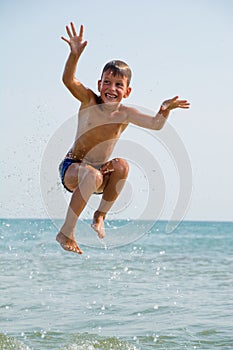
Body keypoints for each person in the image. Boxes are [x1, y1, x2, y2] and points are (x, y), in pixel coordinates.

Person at [56, 21, 190, 254]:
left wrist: (165, 110)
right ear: (99, 85)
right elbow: (68, 80)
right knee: (89, 172)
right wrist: (74, 55)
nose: (111, 88)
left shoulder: (125, 114)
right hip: (74, 169)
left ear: (127, 91)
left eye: (119, 84)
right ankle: (66, 232)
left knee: (122, 166)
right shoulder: (89, 101)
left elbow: (156, 124)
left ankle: (100, 216)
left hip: (99, 176)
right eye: (107, 82)